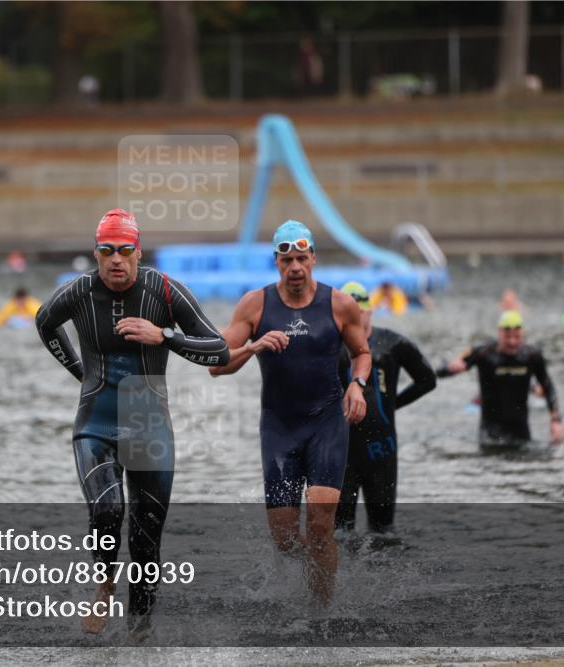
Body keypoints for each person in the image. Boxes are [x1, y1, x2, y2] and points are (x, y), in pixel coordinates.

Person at [35, 208, 228, 637]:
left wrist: (166, 336)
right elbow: (44, 323)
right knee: (107, 509)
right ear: (97, 253)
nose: (116, 259)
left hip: (149, 425)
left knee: (145, 543)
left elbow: (220, 350)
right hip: (96, 420)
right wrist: (78, 371)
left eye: (125, 250)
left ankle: (139, 637)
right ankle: (104, 585)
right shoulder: (79, 292)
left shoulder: (163, 290)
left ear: (138, 253)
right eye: (107, 251)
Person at [210, 220, 370, 606]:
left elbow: (362, 353)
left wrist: (356, 384)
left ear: (313, 258)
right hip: (279, 429)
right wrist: (255, 346)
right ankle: (320, 566)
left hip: (326, 424)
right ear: (277, 263)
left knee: (318, 525)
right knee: (284, 540)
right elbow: (216, 364)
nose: (295, 266)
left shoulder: (339, 304)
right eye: (287, 259)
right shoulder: (256, 304)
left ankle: (322, 610)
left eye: (302, 257)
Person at [334, 282, 436, 534]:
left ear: (370, 311)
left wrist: (393, 405)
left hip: (381, 451)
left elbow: (427, 380)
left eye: (360, 312)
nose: (355, 320)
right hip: (340, 452)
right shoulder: (328, 347)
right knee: (338, 534)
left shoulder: (393, 343)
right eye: (348, 314)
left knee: (383, 532)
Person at [436, 310, 564, 448]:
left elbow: (548, 387)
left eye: (517, 337)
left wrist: (555, 420)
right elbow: (438, 373)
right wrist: (449, 369)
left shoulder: (532, 356)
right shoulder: (483, 353)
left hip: (520, 430)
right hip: (490, 432)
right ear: (499, 333)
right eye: (507, 337)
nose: (512, 342)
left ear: (522, 335)